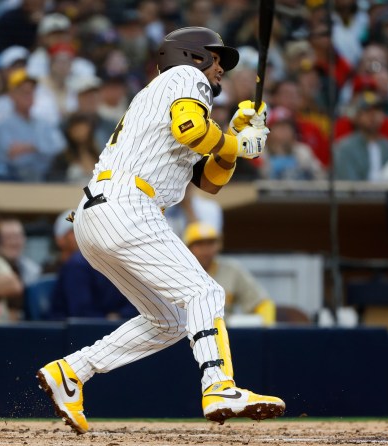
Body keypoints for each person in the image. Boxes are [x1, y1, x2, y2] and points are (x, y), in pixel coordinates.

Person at [36, 27, 285, 435]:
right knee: (205, 292)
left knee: (169, 321)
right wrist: (238, 144)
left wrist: (236, 137)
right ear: (192, 55)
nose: (220, 67)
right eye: (216, 57)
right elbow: (193, 132)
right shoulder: (185, 78)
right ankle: (219, 386)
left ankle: (71, 371)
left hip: (99, 215)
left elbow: (211, 183)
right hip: (128, 204)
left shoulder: (174, 97)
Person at [49, 210, 137, 321]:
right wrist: (110, 320)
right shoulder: (77, 264)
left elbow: (136, 302)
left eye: (87, 228)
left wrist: (120, 316)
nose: (83, 233)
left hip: (110, 328)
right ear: (60, 239)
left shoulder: (114, 258)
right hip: (73, 333)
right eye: (75, 230)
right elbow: (81, 313)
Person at [183, 222, 275, 326]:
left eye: (210, 243)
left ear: (218, 245)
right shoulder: (178, 272)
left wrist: (266, 332)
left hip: (226, 332)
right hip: (186, 333)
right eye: (199, 244)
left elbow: (262, 302)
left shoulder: (231, 270)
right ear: (187, 248)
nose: (205, 249)